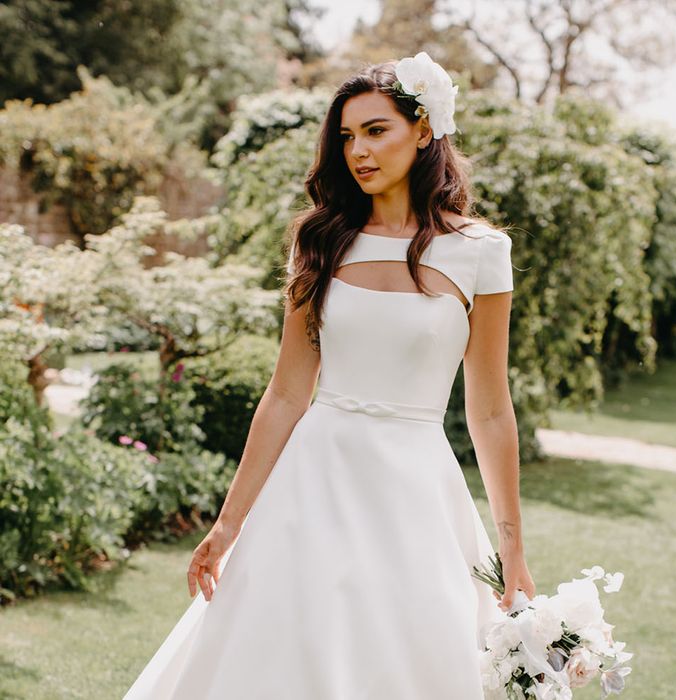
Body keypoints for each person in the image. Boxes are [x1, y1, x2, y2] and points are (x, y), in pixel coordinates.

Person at [123, 51, 535, 700]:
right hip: (311, 484)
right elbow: (287, 392)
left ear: (424, 131)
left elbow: (488, 409)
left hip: (416, 493)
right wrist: (228, 525)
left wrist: (511, 545)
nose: (358, 150)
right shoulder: (319, 239)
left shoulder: (482, 252)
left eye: (376, 130)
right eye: (347, 136)